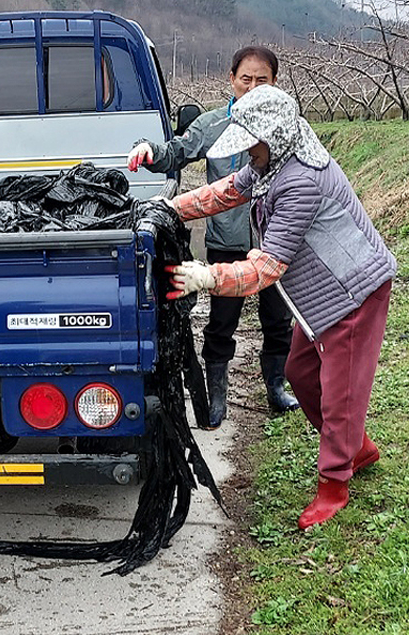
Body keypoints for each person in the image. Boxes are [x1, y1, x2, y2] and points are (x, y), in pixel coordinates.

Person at [166, 85, 396, 529]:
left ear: (275, 135)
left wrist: (207, 276)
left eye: (254, 142)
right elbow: (227, 190)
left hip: (353, 292)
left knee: (341, 392)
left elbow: (267, 267)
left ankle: (334, 484)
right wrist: (172, 209)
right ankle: (358, 449)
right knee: (300, 372)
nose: (248, 152)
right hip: (319, 295)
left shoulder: (302, 181)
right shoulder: (270, 162)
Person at [127, 45, 298, 428]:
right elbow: (177, 152)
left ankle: (276, 388)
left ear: (275, 83)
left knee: (277, 321)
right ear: (231, 79)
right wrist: (148, 151)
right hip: (226, 242)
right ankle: (217, 397)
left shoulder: (283, 129)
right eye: (245, 79)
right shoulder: (212, 124)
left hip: (273, 243)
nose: (252, 87)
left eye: (262, 80)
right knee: (221, 324)